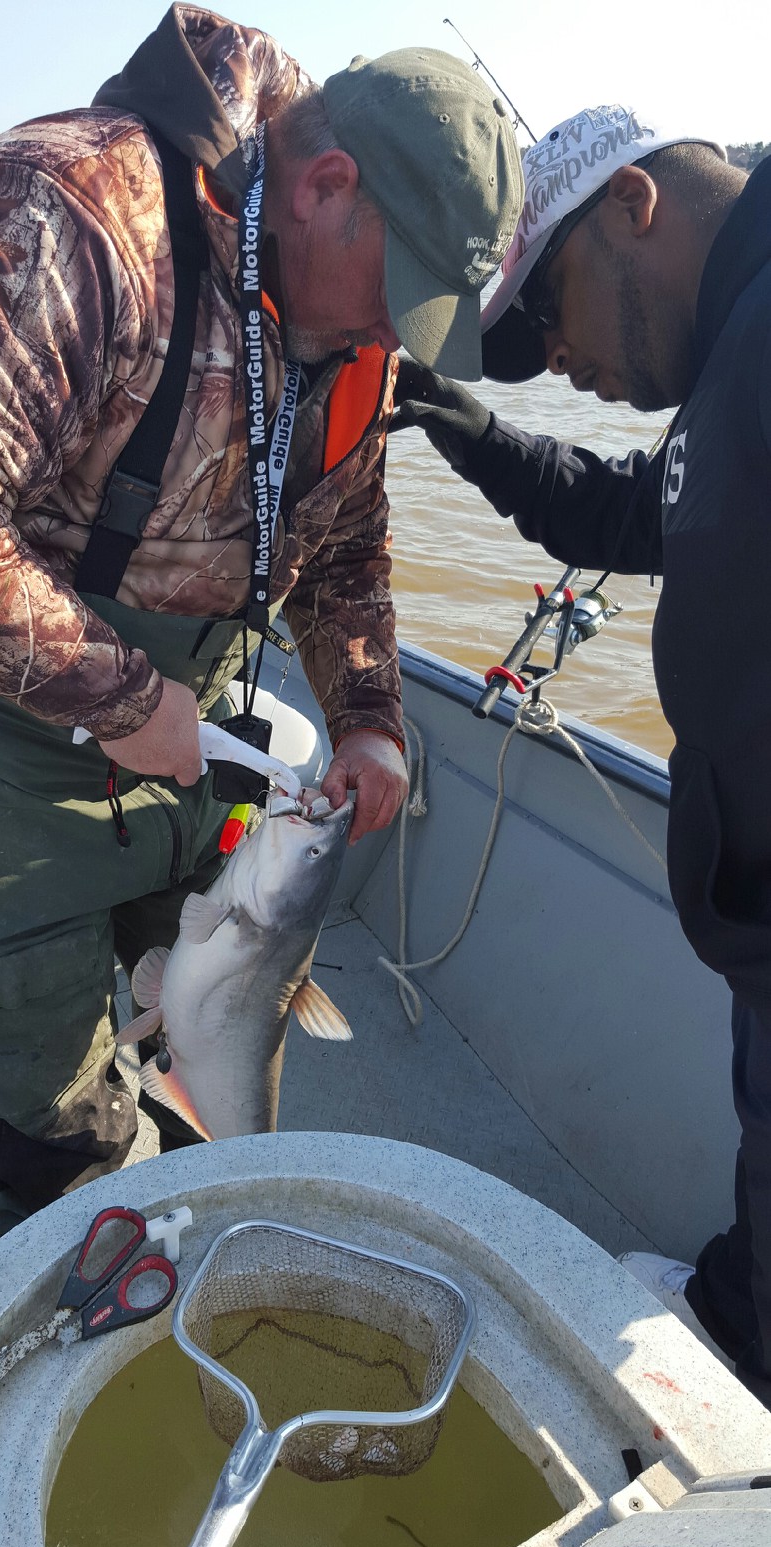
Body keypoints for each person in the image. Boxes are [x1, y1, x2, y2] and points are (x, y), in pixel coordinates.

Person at [0, 7, 522, 1239]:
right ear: (331, 186)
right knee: (52, 1133)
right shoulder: (61, 209)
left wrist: (372, 722)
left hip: (193, 749)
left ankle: (179, 1165)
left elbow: (346, 548)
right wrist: (121, 700)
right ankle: (78, 1246)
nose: (398, 334)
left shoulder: (350, 334)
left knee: (195, 1013)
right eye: (404, 292)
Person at [392, 102, 771, 1406]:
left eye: (550, 313)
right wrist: (442, 410)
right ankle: (739, 1314)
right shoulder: (733, 348)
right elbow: (629, 509)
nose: (558, 361)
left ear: (631, 203)